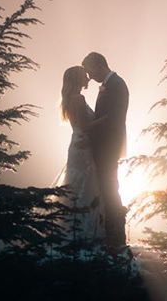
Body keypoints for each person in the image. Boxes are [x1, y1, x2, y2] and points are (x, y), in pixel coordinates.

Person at [81, 51, 129, 250]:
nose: (89, 78)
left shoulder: (117, 85)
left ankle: (116, 237)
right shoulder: (109, 85)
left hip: (109, 147)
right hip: (104, 146)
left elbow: (113, 118)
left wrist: (87, 130)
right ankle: (111, 234)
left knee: (110, 190)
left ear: (100, 65)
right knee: (107, 189)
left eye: (90, 72)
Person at [59, 65, 103, 245]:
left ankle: (75, 231)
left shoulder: (70, 99)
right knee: (87, 186)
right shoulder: (78, 98)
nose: (88, 78)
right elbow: (85, 126)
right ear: (78, 79)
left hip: (77, 145)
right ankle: (86, 233)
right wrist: (107, 119)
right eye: (85, 75)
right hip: (83, 147)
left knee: (78, 186)